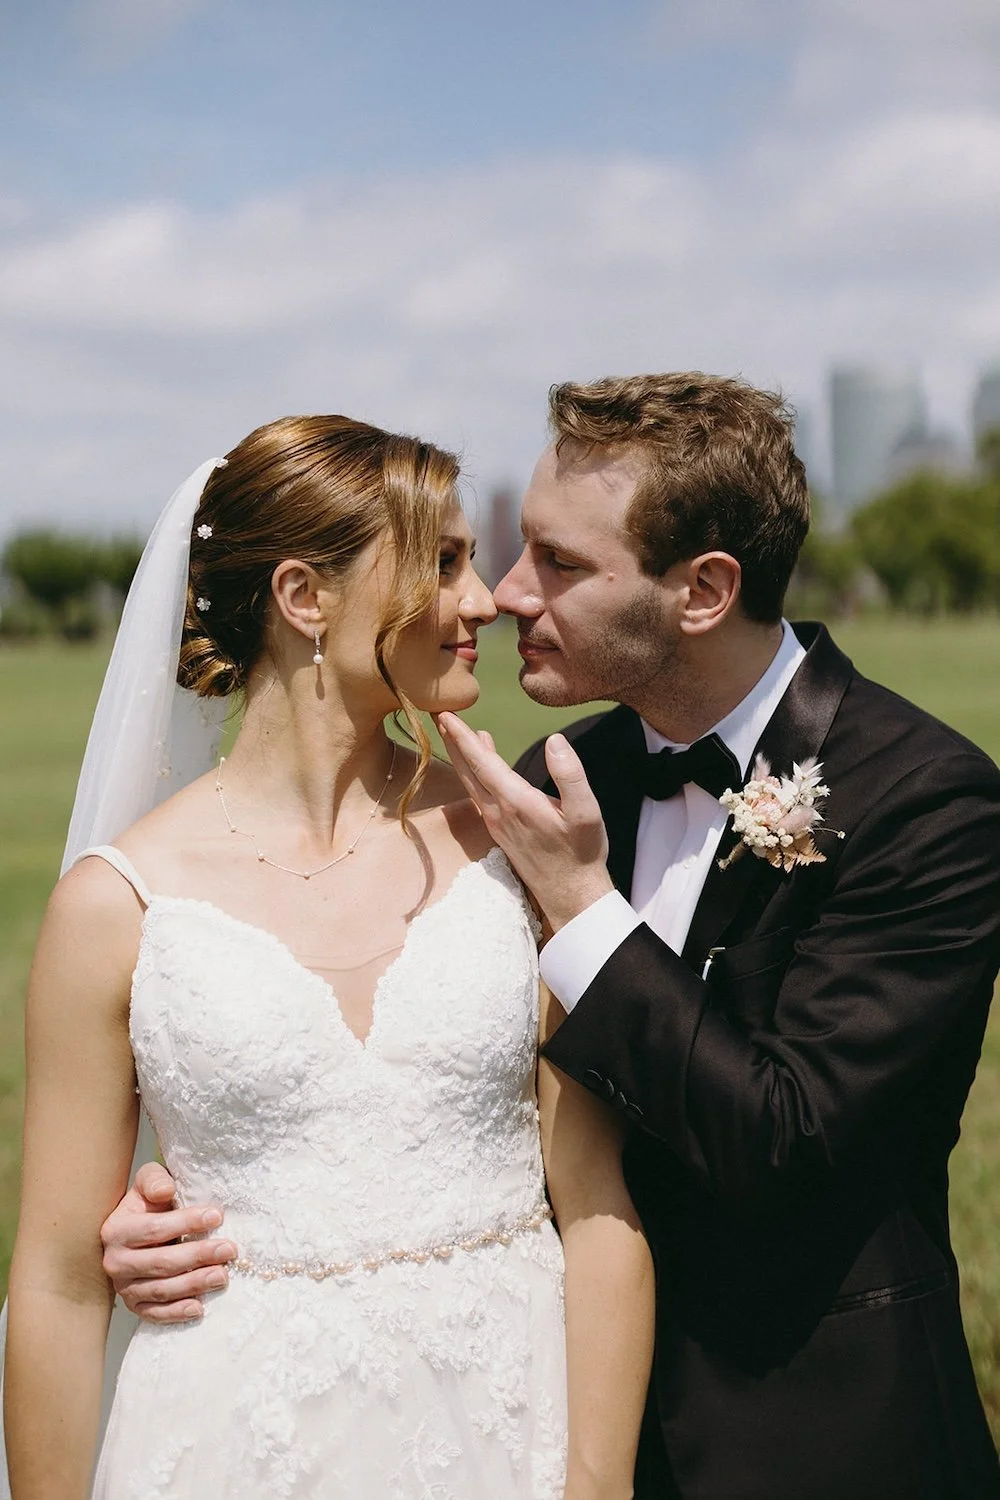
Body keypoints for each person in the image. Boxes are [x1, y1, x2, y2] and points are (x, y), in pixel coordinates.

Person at [94, 373, 1000, 1498]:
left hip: (814, 1442)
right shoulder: (563, 784)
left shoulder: (929, 802)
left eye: (559, 565)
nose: (506, 594)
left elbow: (788, 1143)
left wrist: (583, 910)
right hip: (527, 1415)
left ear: (704, 591)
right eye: (515, 550)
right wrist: (189, 1214)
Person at [3, 414, 654, 1499]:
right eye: (442, 562)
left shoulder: (516, 842)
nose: (485, 598)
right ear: (305, 599)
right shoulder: (114, 907)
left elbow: (595, 1205)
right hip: (228, 1442)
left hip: (506, 1426)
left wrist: (594, 1485)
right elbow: (61, 1285)